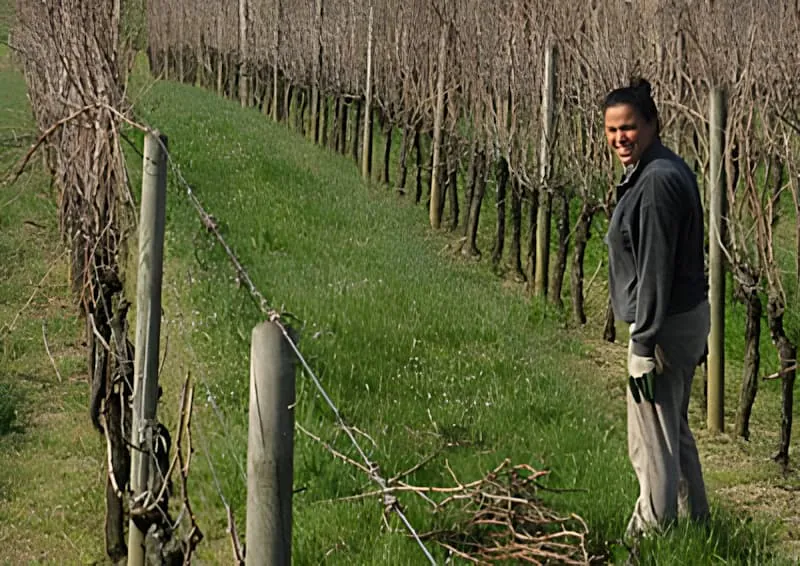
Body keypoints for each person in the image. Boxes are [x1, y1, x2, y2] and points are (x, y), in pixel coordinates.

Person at [603, 78, 710, 540]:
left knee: (651, 442)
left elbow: (655, 269)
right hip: (682, 318)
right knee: (673, 430)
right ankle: (695, 525)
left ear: (652, 125)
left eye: (628, 128)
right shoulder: (663, 168)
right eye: (611, 130)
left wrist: (643, 342)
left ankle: (651, 536)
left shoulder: (656, 183)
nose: (619, 138)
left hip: (663, 327)